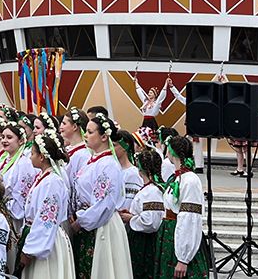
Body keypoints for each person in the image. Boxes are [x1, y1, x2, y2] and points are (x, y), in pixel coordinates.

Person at [70, 113, 132, 279]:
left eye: (90, 132)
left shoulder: (108, 164)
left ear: (104, 136)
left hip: (101, 225)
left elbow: (103, 204)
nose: (85, 135)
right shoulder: (94, 161)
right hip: (89, 221)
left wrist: (81, 221)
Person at [21, 131, 74, 279]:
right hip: (37, 235)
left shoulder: (52, 182)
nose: (30, 156)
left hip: (47, 241)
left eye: (32, 153)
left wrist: (30, 250)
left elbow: (46, 219)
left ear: (42, 156)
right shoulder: (43, 178)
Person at [156, 136, 207, 279]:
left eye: (168, 150)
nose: (166, 154)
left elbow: (189, 218)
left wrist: (183, 258)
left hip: (179, 238)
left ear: (172, 152)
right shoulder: (177, 177)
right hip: (170, 236)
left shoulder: (190, 180)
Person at [122, 148, 165, 279]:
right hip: (139, 238)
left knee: (142, 271)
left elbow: (151, 222)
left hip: (144, 241)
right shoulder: (148, 189)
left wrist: (131, 218)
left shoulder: (151, 192)